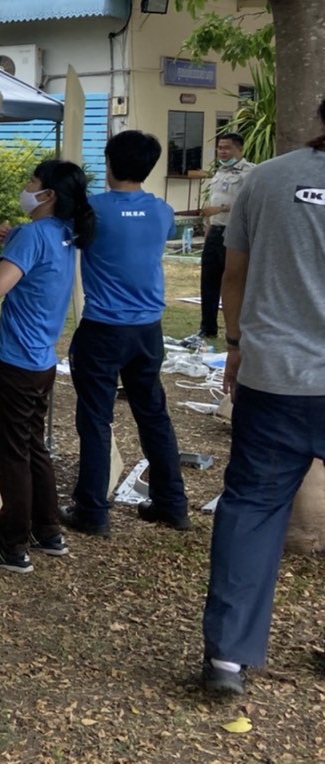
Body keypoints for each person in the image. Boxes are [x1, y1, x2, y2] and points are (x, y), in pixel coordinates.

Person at [200, 97, 325, 695]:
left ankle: (227, 657)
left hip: (274, 375)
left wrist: (234, 342)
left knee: (251, 508)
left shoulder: (268, 178)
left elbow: (234, 272)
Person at [62, 130, 190, 538]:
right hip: (148, 330)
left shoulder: (92, 210)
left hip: (103, 328)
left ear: (109, 162)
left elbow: (59, 235)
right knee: (153, 414)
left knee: (95, 420)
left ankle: (91, 510)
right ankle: (172, 503)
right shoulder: (162, 211)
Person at [0, 159, 95, 573]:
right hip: (41, 361)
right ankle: (48, 530)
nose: (27, 186)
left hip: (15, 363)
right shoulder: (64, 233)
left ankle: (13, 546)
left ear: (48, 194)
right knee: (31, 446)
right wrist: (13, 240)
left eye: (33, 181)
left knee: (12, 454)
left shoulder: (33, 235)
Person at [183, 132, 254, 349]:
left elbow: (250, 203)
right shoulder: (219, 172)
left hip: (236, 233)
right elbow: (214, 202)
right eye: (220, 148)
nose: (222, 152)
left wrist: (221, 208)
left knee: (235, 280)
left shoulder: (250, 172)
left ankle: (240, 329)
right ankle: (208, 327)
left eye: (227, 148)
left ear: (239, 149)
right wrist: (209, 227)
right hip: (215, 230)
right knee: (209, 280)